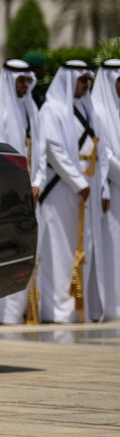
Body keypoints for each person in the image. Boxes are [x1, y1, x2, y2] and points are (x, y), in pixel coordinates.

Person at [32, 60, 100, 323]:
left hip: (80, 191)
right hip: (59, 192)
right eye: (82, 80)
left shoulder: (83, 107)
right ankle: (58, 310)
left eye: (88, 80)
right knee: (59, 252)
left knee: (78, 251)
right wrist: (78, 182)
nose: (86, 85)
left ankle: (77, 309)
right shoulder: (52, 109)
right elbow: (54, 150)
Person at [0, 59, 42, 324]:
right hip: (8, 194)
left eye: (27, 81)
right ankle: (5, 315)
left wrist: (37, 181)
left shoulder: (31, 109)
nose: (25, 85)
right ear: (10, 81)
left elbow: (41, 150)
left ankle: (20, 313)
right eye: (21, 81)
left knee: (29, 250)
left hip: (33, 192)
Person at [86, 59, 120, 322]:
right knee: (110, 250)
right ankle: (110, 306)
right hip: (110, 191)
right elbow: (105, 156)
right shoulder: (97, 110)